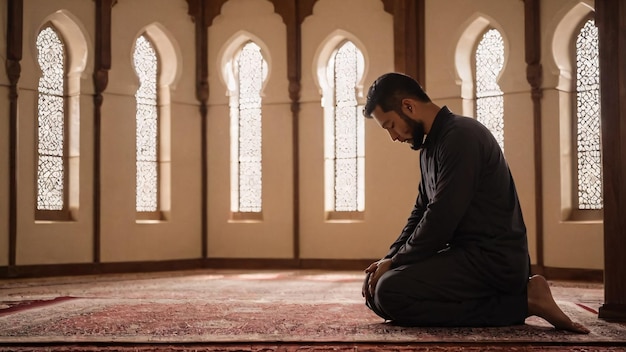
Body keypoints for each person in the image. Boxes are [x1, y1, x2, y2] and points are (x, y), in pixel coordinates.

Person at [361, 72, 589, 334]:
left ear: (408, 106)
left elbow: (441, 219)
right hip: (464, 256)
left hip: (494, 261)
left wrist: (398, 261)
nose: (393, 137)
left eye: (390, 125)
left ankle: (525, 301)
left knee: (390, 291)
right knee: (376, 289)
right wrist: (388, 259)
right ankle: (516, 300)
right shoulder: (429, 148)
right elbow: (420, 211)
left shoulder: (461, 136)